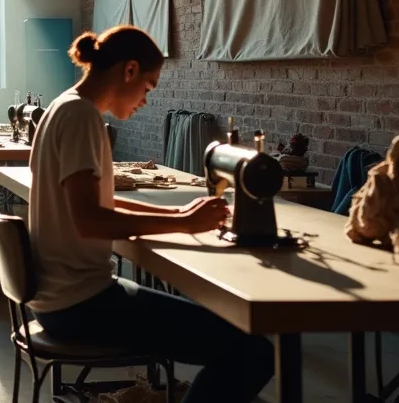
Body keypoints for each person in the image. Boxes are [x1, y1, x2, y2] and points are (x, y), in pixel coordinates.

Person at [26, 25, 273, 402]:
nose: (145, 100)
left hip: (63, 298)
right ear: (129, 70)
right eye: (148, 86)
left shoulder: (64, 107)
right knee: (251, 350)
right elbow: (89, 220)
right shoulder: (82, 117)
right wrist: (183, 223)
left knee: (234, 340)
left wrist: (184, 215)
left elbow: (98, 203)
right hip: (80, 304)